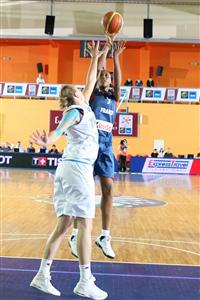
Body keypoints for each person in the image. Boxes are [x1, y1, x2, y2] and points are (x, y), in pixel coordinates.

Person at [29, 41, 108, 299]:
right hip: (77, 170)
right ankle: (85, 280)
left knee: (63, 225)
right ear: (72, 96)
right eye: (76, 89)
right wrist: (48, 141)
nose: (81, 88)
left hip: (69, 169)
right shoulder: (74, 110)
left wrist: (98, 55)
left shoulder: (82, 104)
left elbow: (91, 78)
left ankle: (42, 276)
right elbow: (59, 130)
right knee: (85, 224)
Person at [68, 36, 126, 260]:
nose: (107, 77)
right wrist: (102, 53)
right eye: (104, 75)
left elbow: (118, 79)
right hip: (89, 147)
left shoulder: (114, 97)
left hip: (106, 147)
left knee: (109, 189)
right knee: (84, 191)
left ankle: (104, 236)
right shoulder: (92, 96)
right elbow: (95, 73)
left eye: (109, 76)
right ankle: (74, 234)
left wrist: (116, 57)